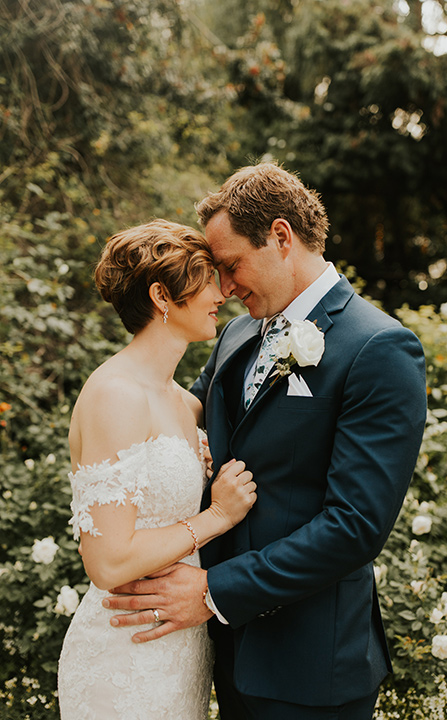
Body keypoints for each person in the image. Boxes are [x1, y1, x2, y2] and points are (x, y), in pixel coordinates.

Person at [102, 164, 427, 720]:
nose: (224, 288)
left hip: (311, 666)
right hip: (225, 655)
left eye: (231, 266)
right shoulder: (237, 333)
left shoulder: (380, 349)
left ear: (281, 237)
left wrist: (211, 590)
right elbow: (184, 428)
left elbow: (354, 526)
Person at [57, 219, 257, 720]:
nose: (222, 292)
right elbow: (108, 563)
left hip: (181, 649)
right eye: (207, 278)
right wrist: (217, 516)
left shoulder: (188, 404)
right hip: (123, 654)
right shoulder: (114, 395)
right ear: (162, 295)